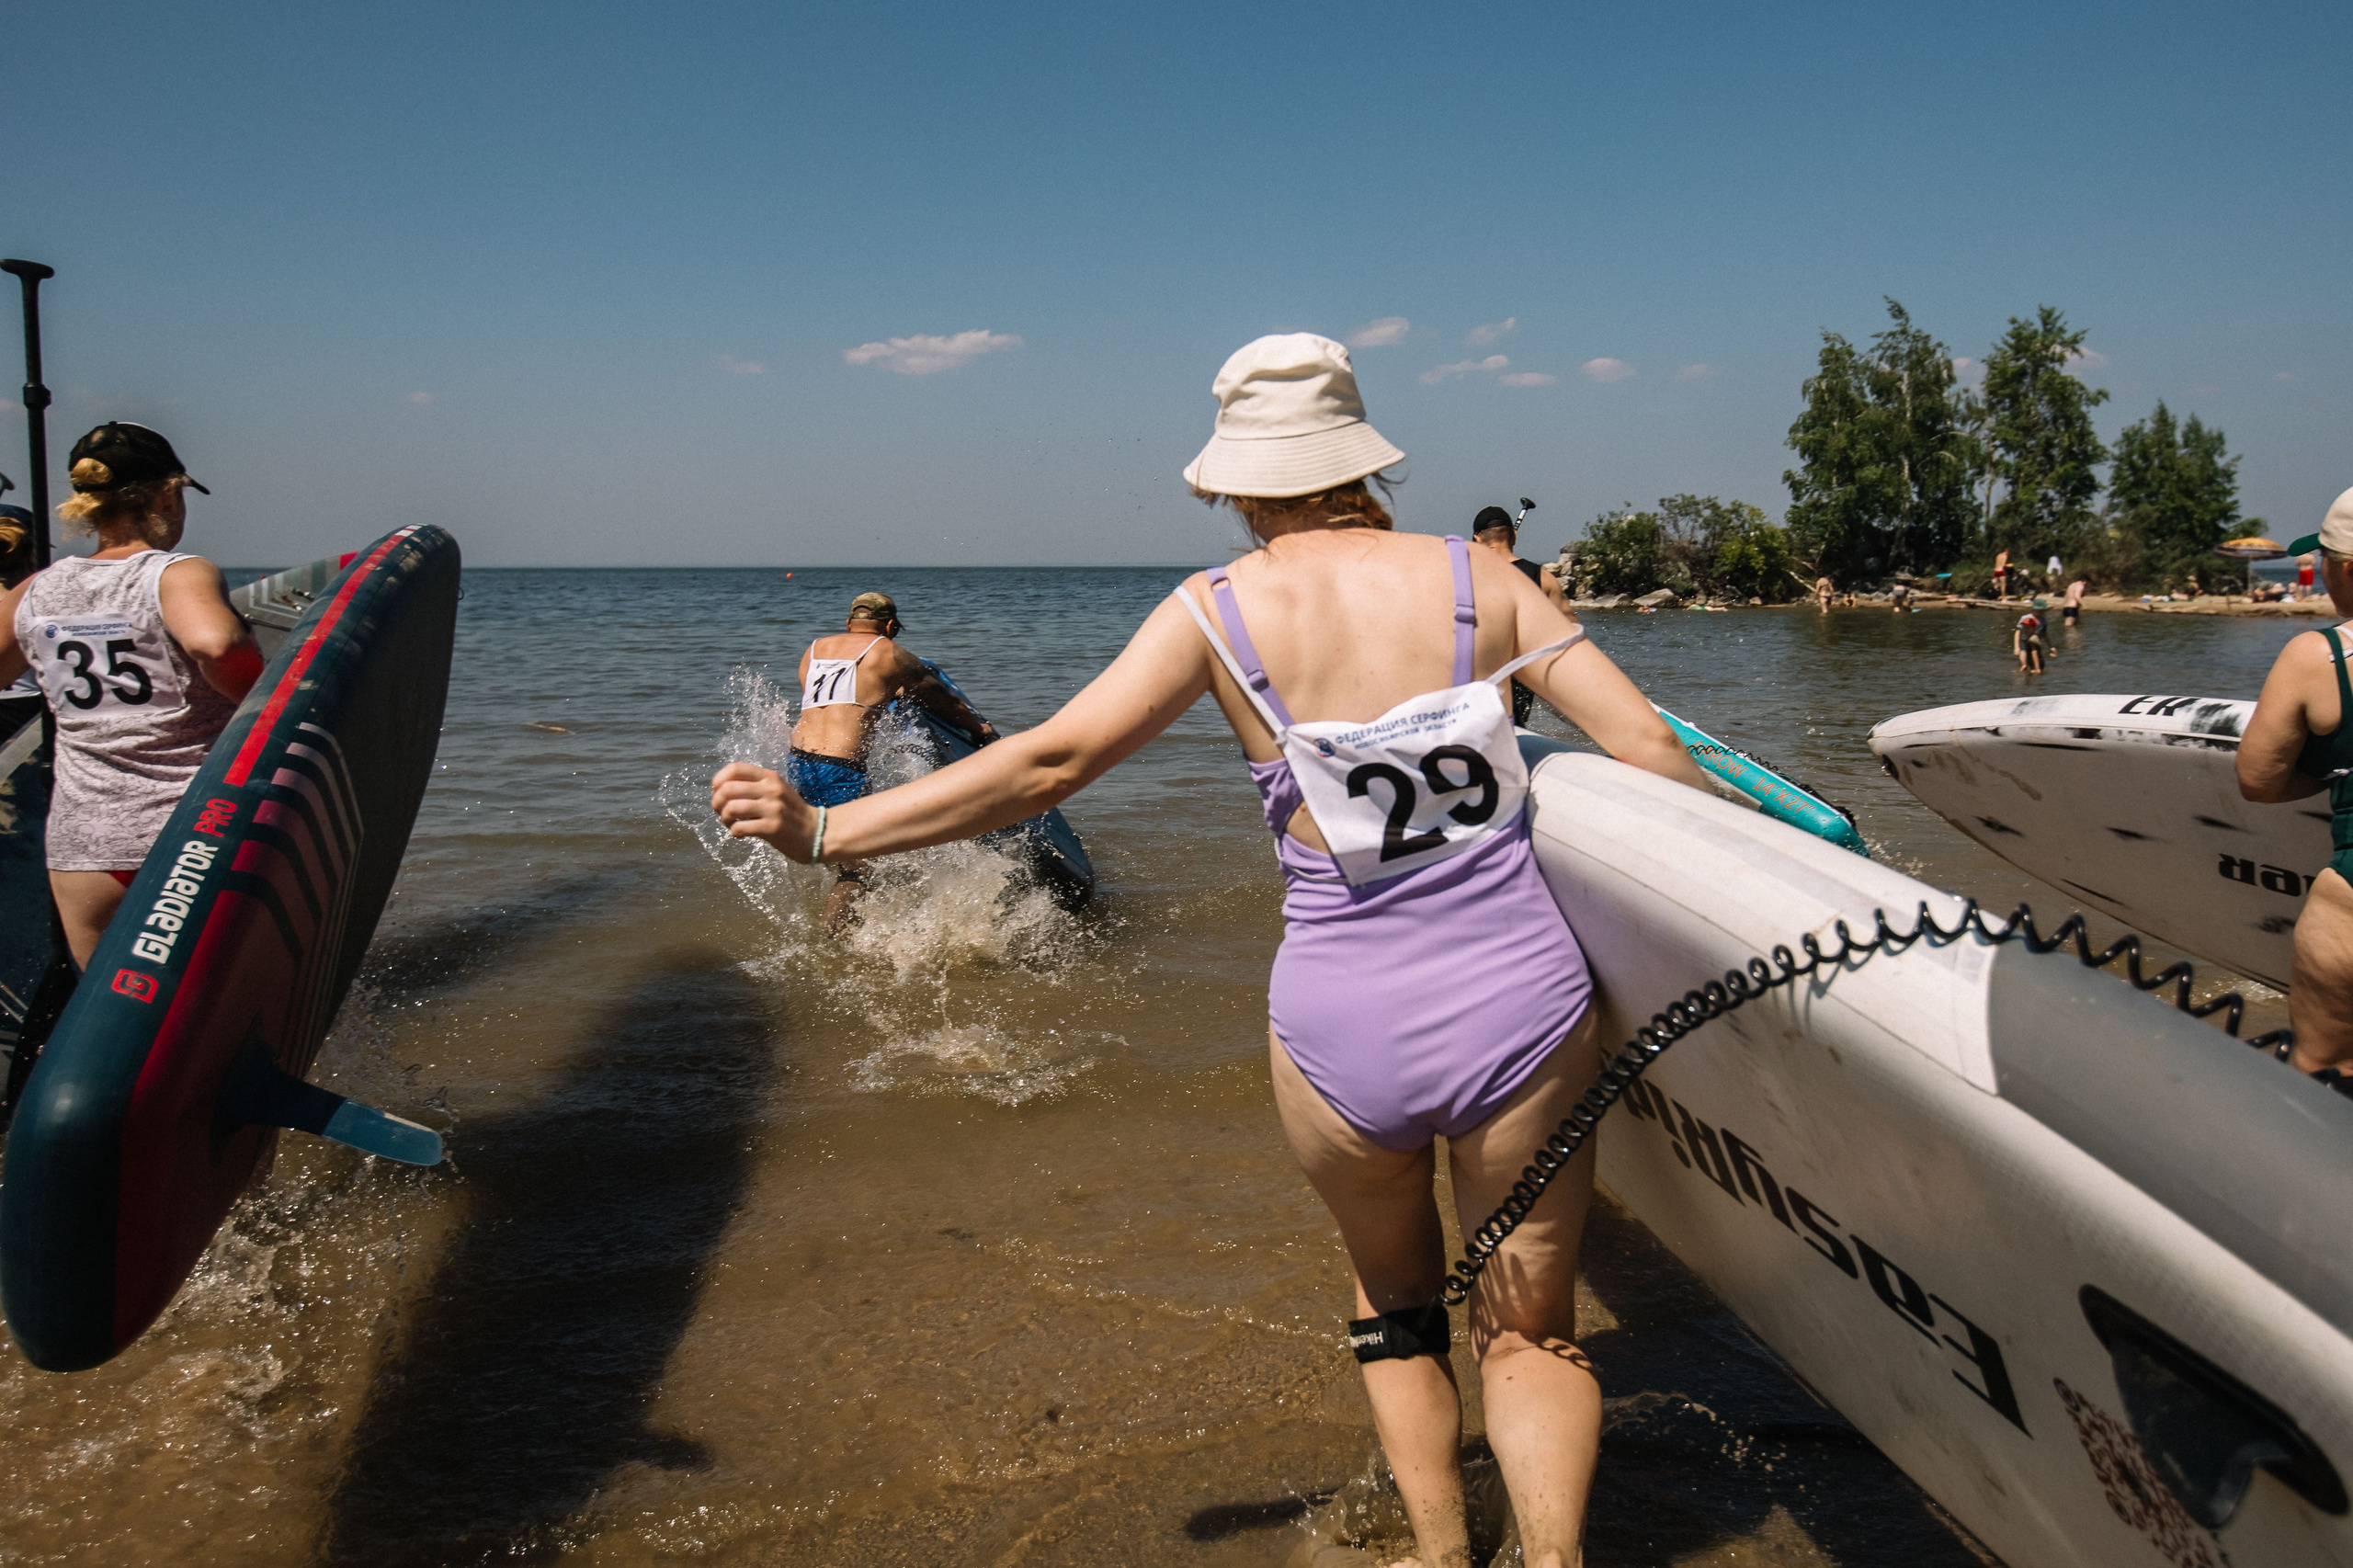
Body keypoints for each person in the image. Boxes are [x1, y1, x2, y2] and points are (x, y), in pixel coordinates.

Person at [713, 333, 1709, 1568]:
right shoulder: (1482, 578)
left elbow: (1046, 764)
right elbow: (1655, 753)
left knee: (1397, 1311)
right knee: (1534, 1331)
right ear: (1363, 457)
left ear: (1236, 478)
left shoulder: (1214, 608)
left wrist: (823, 831)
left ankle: (1442, 1550)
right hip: (1524, 1005)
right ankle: (1554, 1556)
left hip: (1344, 1024)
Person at [0, 424, 263, 969]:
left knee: (112, 1016)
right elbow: (215, 646)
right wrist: (264, 706)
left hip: (83, 848)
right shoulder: (176, 573)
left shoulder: (35, 589)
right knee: (220, 1002)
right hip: (190, 833)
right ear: (167, 494)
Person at [790, 590, 996, 931]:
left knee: (840, 856)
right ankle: (828, 943)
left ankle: (850, 926)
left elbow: (835, 704)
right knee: (861, 870)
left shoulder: (814, 651)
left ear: (849, 623)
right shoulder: (889, 653)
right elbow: (943, 701)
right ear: (889, 626)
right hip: (839, 770)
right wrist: (979, 728)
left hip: (799, 763)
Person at [2239, 488, 2353, 1087]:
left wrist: (2333, 770)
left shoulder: (2321, 657)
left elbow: (2257, 780)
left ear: (2348, 570)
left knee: (2327, 1077)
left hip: (2350, 911)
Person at [1470, 504, 1566, 723]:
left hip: (1472, 679)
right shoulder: (1543, 579)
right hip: (1521, 680)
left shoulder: (1462, 575)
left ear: (1477, 539)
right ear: (1514, 535)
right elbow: (1571, 636)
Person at [2013, 608, 2047, 674]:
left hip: (2037, 663)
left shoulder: (2032, 639)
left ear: (2034, 628)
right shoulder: (2028, 638)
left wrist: (2037, 669)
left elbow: (2034, 653)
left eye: (2028, 628)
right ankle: (2024, 665)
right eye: (2024, 628)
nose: (2025, 630)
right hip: (2031, 662)